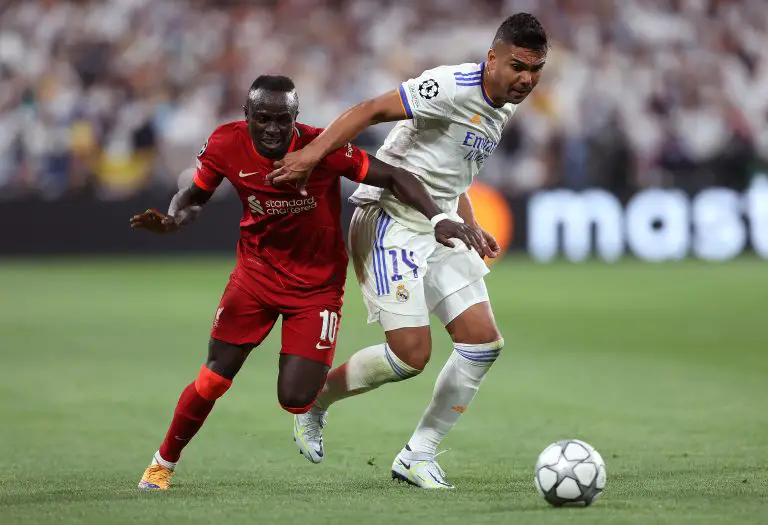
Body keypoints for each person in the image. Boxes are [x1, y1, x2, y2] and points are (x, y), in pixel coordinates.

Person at [130, 75, 485, 490]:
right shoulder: (226, 144)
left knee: (295, 397)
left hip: (316, 289)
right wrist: (174, 220)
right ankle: (162, 463)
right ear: (246, 117)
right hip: (255, 278)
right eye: (262, 119)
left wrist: (440, 217)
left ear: (296, 117)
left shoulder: (323, 148)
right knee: (214, 378)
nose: (273, 129)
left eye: (283, 120)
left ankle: (310, 409)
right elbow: (194, 196)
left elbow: (394, 177)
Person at [267, 14, 548, 488]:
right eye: (518, 66)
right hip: (390, 218)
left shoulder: (508, 105)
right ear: (493, 57)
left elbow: (453, 170)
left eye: (536, 69)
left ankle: (418, 455)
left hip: (439, 224)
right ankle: (316, 400)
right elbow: (369, 110)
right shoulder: (449, 86)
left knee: (482, 344)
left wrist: (470, 224)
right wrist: (310, 156)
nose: (526, 79)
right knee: (411, 356)